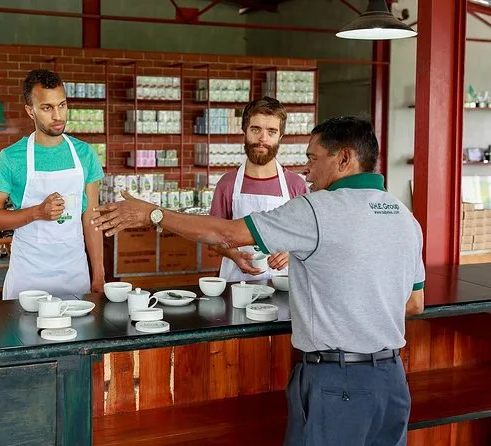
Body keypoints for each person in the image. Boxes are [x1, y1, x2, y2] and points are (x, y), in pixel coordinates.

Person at [91, 116, 425, 446]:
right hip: (392, 381)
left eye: (313, 159)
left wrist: (153, 214)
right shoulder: (404, 217)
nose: (307, 170)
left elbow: (228, 233)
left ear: (344, 158)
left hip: (339, 383)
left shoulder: (318, 209)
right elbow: (413, 304)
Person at [0, 69, 105, 300]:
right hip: (28, 276)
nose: (58, 116)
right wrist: (37, 212)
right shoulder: (10, 158)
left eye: (62, 105)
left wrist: (98, 274)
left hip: (74, 273)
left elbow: (91, 217)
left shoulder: (85, 154)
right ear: (31, 111)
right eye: (47, 108)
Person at [210, 97, 307, 283]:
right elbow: (213, 238)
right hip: (238, 283)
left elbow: (309, 238)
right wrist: (234, 255)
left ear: (280, 137)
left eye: (271, 131)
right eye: (256, 129)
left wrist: (291, 253)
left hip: (283, 284)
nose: (263, 138)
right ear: (244, 131)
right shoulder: (227, 184)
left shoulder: (296, 185)